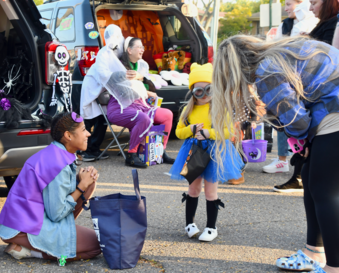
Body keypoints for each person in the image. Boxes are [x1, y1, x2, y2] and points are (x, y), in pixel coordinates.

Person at [212, 35, 339, 272]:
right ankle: (314, 253)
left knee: (325, 191)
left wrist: (303, 141)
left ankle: (334, 267)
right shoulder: (282, 51)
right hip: (331, 108)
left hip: (335, 112)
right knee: (312, 180)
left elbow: (296, 121)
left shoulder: (267, 71)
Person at [0, 112, 101, 262]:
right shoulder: (57, 165)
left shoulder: (56, 152)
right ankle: (29, 251)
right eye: (84, 130)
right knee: (97, 246)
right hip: (22, 229)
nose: (88, 134)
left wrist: (82, 181)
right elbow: (56, 214)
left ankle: (54, 238)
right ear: (68, 136)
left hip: (25, 221)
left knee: (89, 184)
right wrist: (81, 186)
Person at [169, 63, 244, 242]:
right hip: (194, 151)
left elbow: (229, 132)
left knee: (211, 192)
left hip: (216, 153)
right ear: (193, 92)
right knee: (193, 188)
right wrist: (192, 129)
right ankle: (190, 223)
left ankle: (211, 227)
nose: (204, 95)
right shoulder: (188, 110)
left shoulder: (221, 108)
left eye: (208, 89)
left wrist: (210, 133)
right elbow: (178, 132)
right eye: (198, 91)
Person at [264, 0, 318, 193]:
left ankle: (299, 175)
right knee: (285, 122)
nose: (286, 9)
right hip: (287, 80)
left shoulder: (313, 23)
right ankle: (287, 164)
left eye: (289, 4)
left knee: (303, 127)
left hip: (307, 83)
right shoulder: (285, 25)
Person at [107, 36, 175, 168]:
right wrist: (144, 90)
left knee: (167, 114)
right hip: (120, 107)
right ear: (129, 50)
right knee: (143, 118)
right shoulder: (118, 66)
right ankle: (131, 155)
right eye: (139, 47)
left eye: (143, 47)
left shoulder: (141, 66)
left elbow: (151, 87)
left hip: (140, 105)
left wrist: (142, 78)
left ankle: (160, 151)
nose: (142, 49)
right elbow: (122, 89)